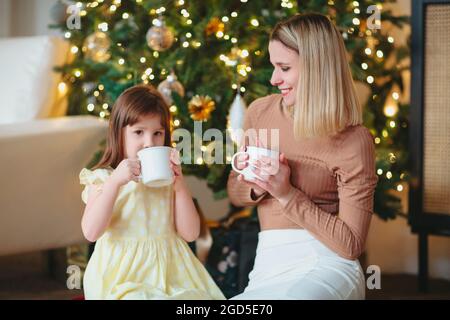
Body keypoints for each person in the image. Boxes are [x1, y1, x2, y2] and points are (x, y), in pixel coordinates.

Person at [227, 13, 378, 300]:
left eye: (284, 67)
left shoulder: (354, 140)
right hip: (269, 263)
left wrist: (286, 194)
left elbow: (350, 245)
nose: (273, 79)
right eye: (273, 66)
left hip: (328, 262)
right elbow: (235, 190)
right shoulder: (260, 112)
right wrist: (259, 184)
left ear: (317, 67)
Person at [79, 84, 225, 300]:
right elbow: (91, 232)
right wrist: (114, 183)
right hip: (122, 275)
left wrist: (179, 185)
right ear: (118, 133)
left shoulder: (168, 181)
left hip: (171, 270)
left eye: (157, 133)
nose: (149, 143)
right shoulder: (102, 179)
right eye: (138, 132)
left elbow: (191, 233)